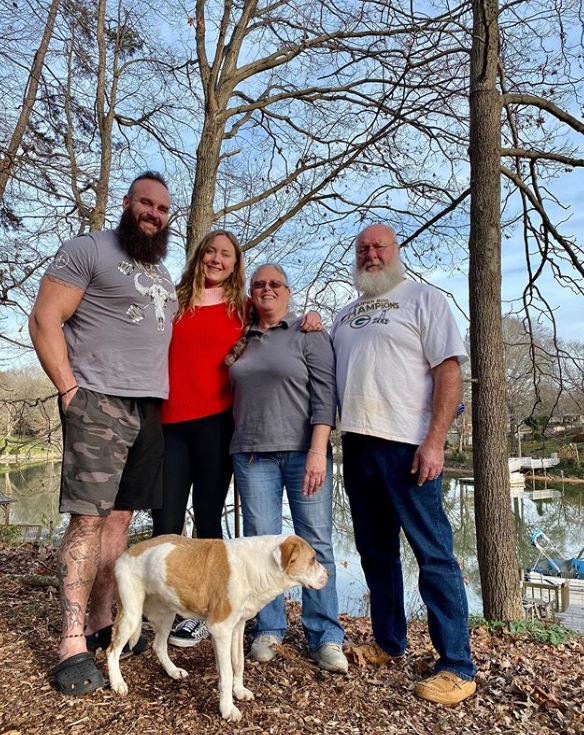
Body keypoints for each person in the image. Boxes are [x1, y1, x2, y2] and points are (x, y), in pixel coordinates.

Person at [28, 172, 176, 695]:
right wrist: (69, 391)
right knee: (88, 524)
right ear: (127, 203)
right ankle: (71, 644)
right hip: (97, 401)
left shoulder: (161, 275)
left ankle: (100, 623)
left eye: (161, 208)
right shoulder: (88, 249)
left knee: (119, 522)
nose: (153, 213)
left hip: (148, 409)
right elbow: (45, 318)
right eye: (145, 203)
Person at [331, 223, 476, 704]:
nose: (371, 254)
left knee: (432, 552)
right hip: (357, 444)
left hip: (407, 445)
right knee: (375, 553)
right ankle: (389, 643)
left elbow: (449, 372)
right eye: (363, 248)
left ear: (396, 251)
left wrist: (435, 441)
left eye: (379, 246)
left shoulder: (424, 299)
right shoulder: (346, 313)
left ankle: (457, 664)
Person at [227, 264, 347, 674]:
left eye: (274, 284)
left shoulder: (308, 334)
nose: (266, 289)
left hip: (302, 454)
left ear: (287, 291)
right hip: (252, 455)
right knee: (261, 544)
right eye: (258, 284)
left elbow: (325, 394)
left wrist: (318, 450)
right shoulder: (241, 338)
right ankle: (269, 627)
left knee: (317, 542)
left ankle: (325, 635)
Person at [151, 229, 246, 646]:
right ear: (199, 256)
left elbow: (280, 325)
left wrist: (310, 321)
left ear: (235, 264)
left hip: (217, 424)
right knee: (166, 520)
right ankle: (160, 608)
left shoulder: (241, 309)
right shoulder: (173, 300)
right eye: (211, 251)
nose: (217, 259)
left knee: (208, 519)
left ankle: (206, 612)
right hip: (169, 424)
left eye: (226, 254)